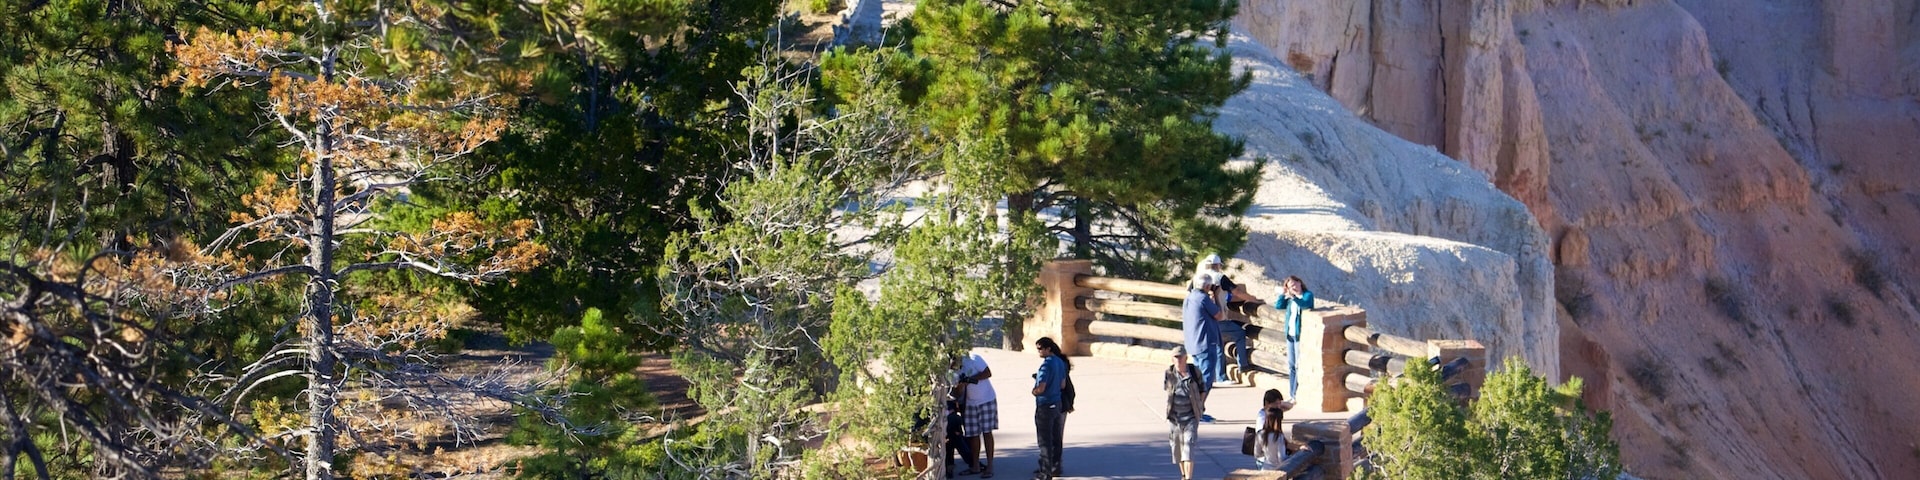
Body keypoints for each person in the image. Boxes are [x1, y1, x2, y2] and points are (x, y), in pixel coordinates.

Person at [1201, 254, 1260, 383]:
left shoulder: (1200, 277)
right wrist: (1252, 299)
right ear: (1218, 265)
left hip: (1203, 319)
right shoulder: (1219, 277)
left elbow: (1227, 297)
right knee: (1240, 333)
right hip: (1217, 317)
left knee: (1218, 345)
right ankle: (1243, 365)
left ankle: (1220, 376)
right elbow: (1236, 292)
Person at [1182, 271, 1224, 422]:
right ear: (1207, 286)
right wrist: (1217, 297)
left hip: (1193, 343)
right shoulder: (1203, 299)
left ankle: (1194, 409)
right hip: (1205, 343)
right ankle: (1197, 411)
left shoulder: (1189, 297)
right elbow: (1220, 315)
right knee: (1206, 379)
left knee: (1197, 378)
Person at [1164, 346, 1206, 480]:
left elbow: (1203, 389)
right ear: (1172, 359)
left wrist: (1200, 403)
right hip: (1174, 418)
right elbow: (1167, 390)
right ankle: (1183, 475)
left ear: (1186, 358)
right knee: (1178, 449)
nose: (1178, 360)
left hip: (1191, 417)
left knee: (1188, 447)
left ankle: (1189, 478)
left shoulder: (1194, 372)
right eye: (1176, 358)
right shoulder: (1169, 373)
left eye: (1180, 357)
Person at [1030, 337, 1070, 479]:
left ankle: (1045, 473)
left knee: (1045, 440)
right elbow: (1062, 385)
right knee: (1056, 438)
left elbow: (1041, 388)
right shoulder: (1060, 362)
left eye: (1040, 349)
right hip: (1057, 404)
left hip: (1045, 405)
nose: (1039, 352)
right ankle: (1055, 468)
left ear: (1048, 349)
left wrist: (1034, 391)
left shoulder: (1046, 365)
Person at [957, 351, 998, 477]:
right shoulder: (952, 370)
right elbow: (957, 393)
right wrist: (961, 385)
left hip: (986, 399)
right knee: (973, 435)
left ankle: (990, 466)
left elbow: (988, 373)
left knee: (987, 432)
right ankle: (975, 466)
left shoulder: (973, 358)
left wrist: (972, 379)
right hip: (970, 402)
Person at [1274, 276, 1316, 398]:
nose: (1294, 287)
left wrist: (1294, 297)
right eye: (1290, 286)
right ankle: (1292, 393)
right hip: (1290, 334)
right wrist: (1283, 295)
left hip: (1299, 335)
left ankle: (1297, 392)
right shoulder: (1290, 299)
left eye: (1294, 284)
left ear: (1299, 282)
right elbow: (1278, 306)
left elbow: (1305, 305)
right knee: (1291, 365)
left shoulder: (1307, 295)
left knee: (1298, 364)